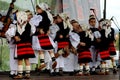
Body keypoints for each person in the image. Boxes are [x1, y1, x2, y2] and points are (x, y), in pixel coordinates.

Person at [30, 2, 56, 72]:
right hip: (40, 34)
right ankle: (44, 63)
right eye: (36, 8)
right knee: (42, 49)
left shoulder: (44, 15)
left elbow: (46, 23)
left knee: (47, 48)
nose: (37, 9)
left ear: (42, 9)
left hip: (42, 34)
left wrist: (43, 29)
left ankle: (51, 61)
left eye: (38, 8)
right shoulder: (38, 15)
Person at [12, 11, 36, 79]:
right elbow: (16, 33)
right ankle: (21, 74)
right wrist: (15, 37)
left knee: (26, 59)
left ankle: (27, 74)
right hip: (21, 44)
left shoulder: (28, 25)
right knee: (20, 59)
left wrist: (19, 38)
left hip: (25, 44)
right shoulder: (17, 25)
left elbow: (27, 35)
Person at [5, 10, 18, 78]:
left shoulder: (16, 24)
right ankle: (13, 71)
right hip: (13, 43)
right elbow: (8, 34)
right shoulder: (12, 25)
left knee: (16, 57)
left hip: (18, 43)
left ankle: (15, 71)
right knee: (13, 56)